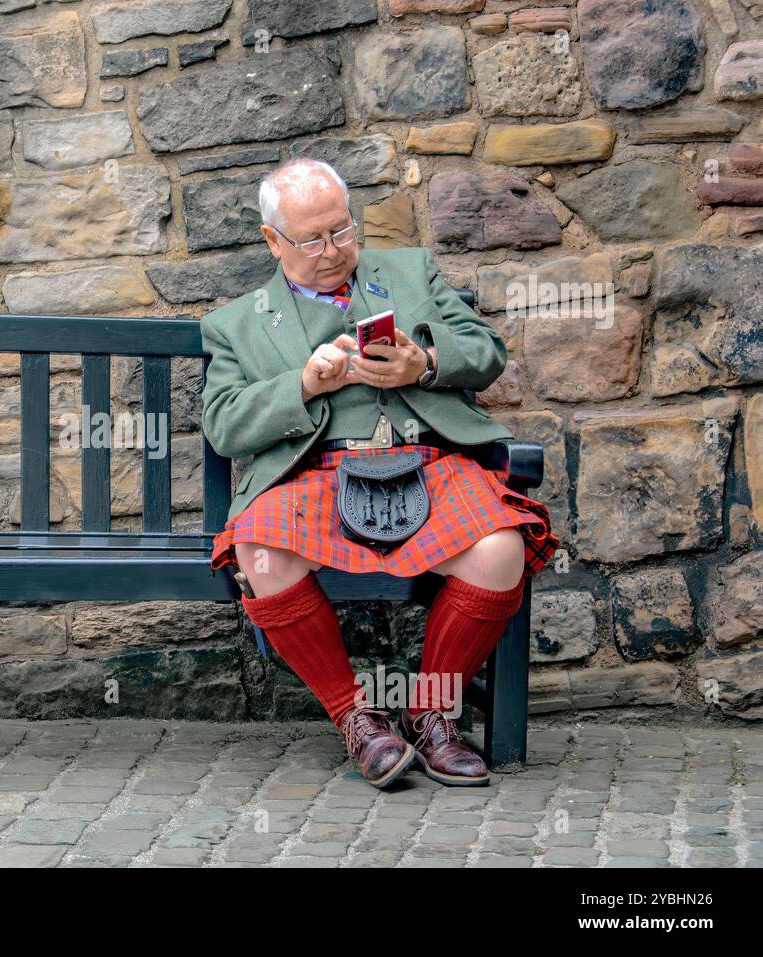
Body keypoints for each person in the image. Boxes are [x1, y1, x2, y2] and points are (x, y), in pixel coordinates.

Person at [201, 157, 560, 789]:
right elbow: (225, 424)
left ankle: (431, 715)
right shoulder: (236, 323)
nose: (333, 250)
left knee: (500, 548)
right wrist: (303, 384)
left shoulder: (411, 271)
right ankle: (357, 719)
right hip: (315, 472)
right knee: (259, 554)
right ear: (271, 240)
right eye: (312, 239)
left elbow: (486, 352)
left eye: (341, 230)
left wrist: (422, 363)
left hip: (428, 459)